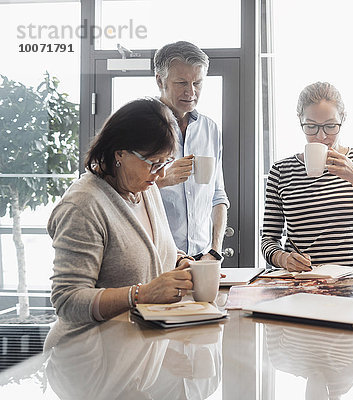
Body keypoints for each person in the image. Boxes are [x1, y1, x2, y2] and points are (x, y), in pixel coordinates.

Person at [46, 98, 195, 347]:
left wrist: (180, 262)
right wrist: (142, 294)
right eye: (154, 163)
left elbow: (147, 250)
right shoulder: (83, 204)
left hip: (132, 351)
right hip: (86, 360)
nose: (161, 174)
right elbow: (67, 301)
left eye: (166, 162)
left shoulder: (146, 189)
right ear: (120, 153)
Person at [261, 82, 353, 270]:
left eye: (330, 126)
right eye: (311, 126)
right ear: (300, 121)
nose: (321, 136)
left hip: (348, 283)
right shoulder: (280, 171)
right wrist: (282, 258)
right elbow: (268, 239)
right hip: (299, 283)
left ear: (342, 118)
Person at [154, 41, 229, 261]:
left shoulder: (210, 129)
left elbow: (218, 195)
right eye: (181, 83)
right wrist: (162, 179)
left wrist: (215, 251)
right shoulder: (141, 126)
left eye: (197, 83)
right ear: (160, 80)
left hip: (202, 258)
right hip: (157, 257)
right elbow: (122, 195)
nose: (191, 92)